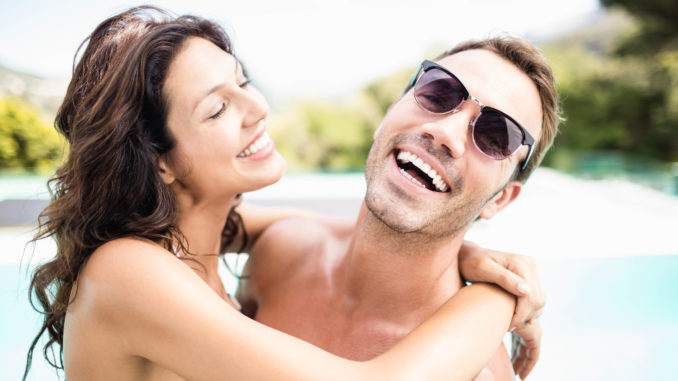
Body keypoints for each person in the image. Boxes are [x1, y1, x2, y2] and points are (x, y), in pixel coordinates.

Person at [24, 6, 544, 381]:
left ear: (502, 198)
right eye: (216, 109)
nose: (257, 108)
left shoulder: (222, 245)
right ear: (157, 158)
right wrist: (500, 296)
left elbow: (322, 231)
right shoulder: (131, 273)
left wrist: (464, 250)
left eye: (243, 82)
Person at [238, 36, 558, 380]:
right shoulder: (279, 252)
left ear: (500, 199)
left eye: (496, 136)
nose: (444, 133)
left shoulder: (475, 373)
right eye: (439, 93)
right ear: (391, 110)